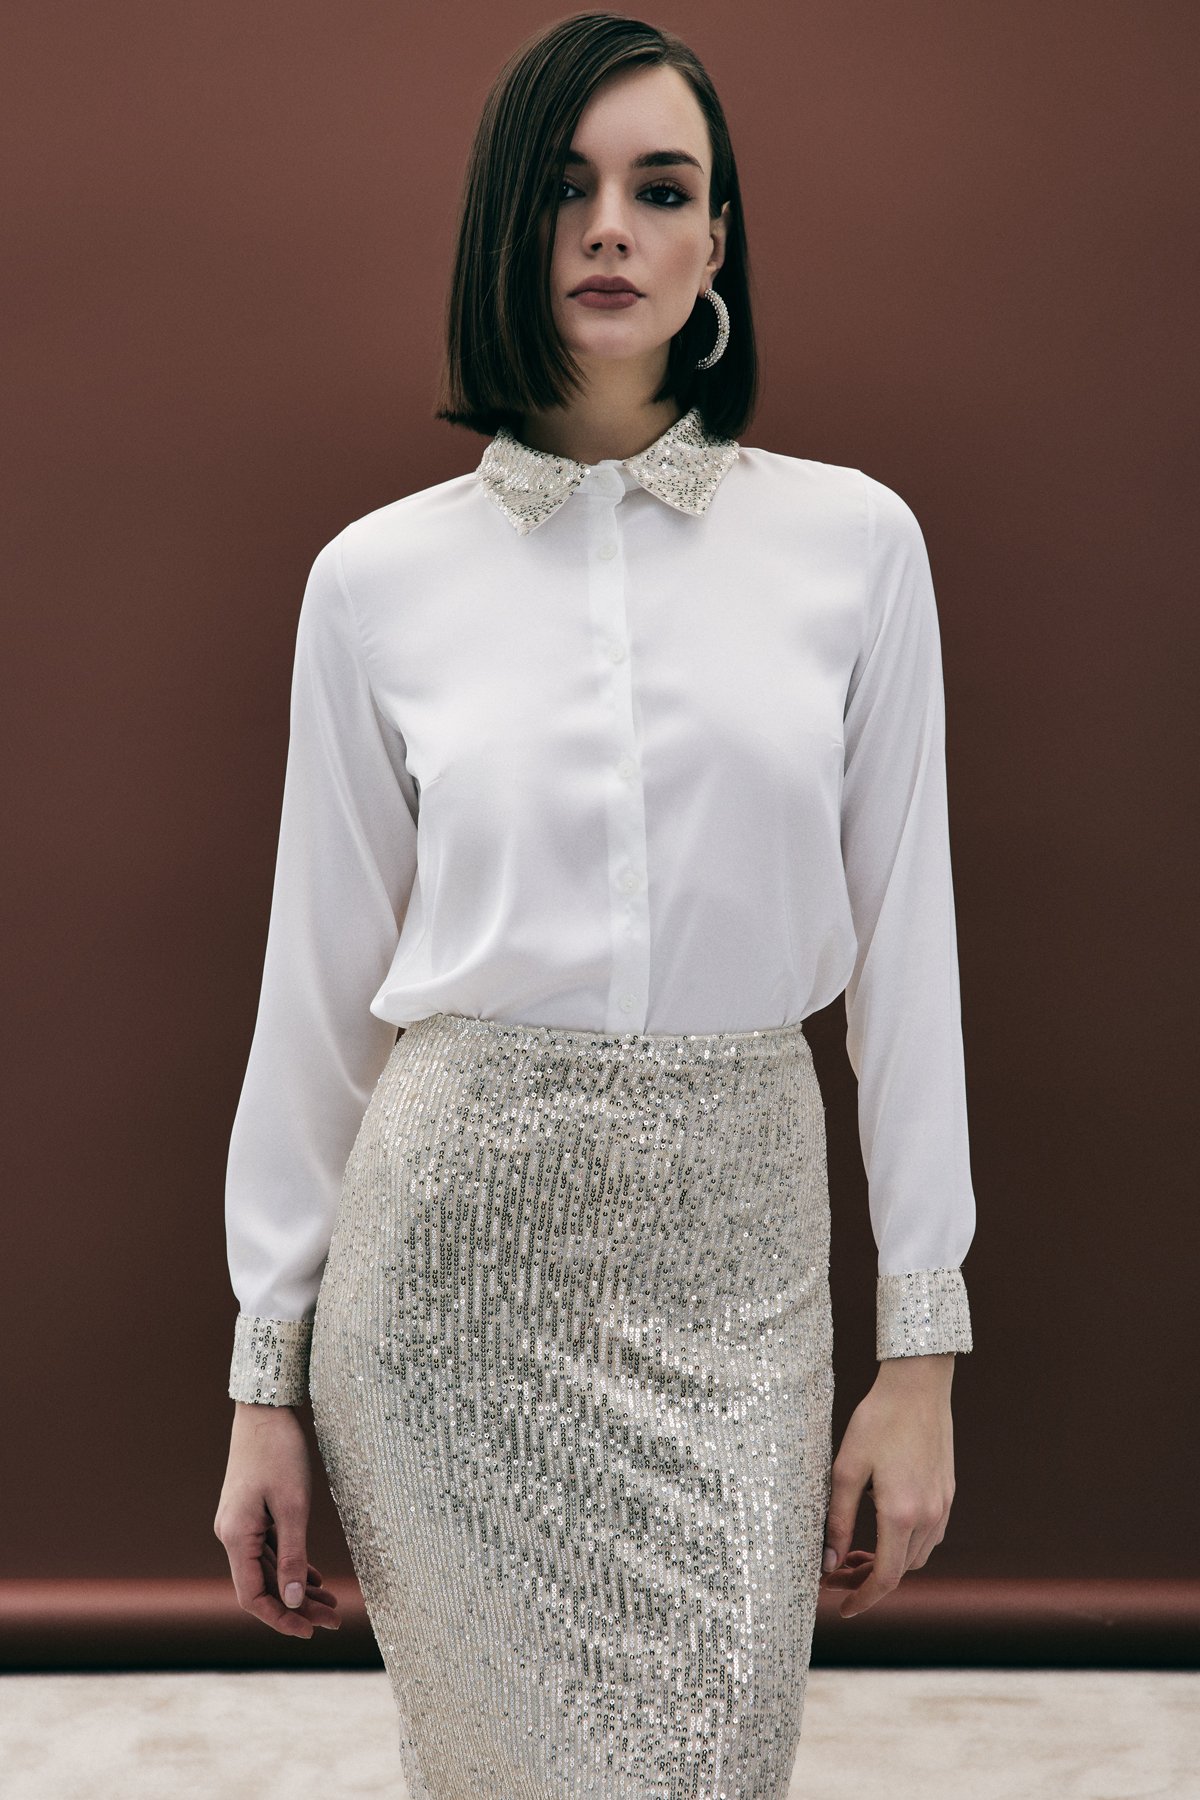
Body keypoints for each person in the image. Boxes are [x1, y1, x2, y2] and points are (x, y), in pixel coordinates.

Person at [213, 12, 975, 1795]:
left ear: (720, 245)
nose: (612, 227)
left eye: (663, 188)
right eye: (566, 189)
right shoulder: (377, 580)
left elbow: (910, 963)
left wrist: (921, 1351)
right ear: (504, 225)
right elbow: (316, 990)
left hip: (742, 1270)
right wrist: (266, 1378)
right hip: (447, 1283)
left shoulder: (858, 546)